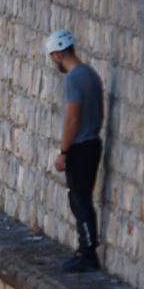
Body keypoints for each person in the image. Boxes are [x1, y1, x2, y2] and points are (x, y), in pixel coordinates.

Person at [46, 29, 105, 273]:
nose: (53, 61)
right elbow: (99, 114)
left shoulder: (73, 79)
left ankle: (88, 253)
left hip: (80, 147)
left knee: (79, 200)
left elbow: (71, 118)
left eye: (52, 56)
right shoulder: (91, 74)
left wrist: (63, 151)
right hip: (93, 142)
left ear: (59, 54)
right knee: (83, 199)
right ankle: (86, 250)